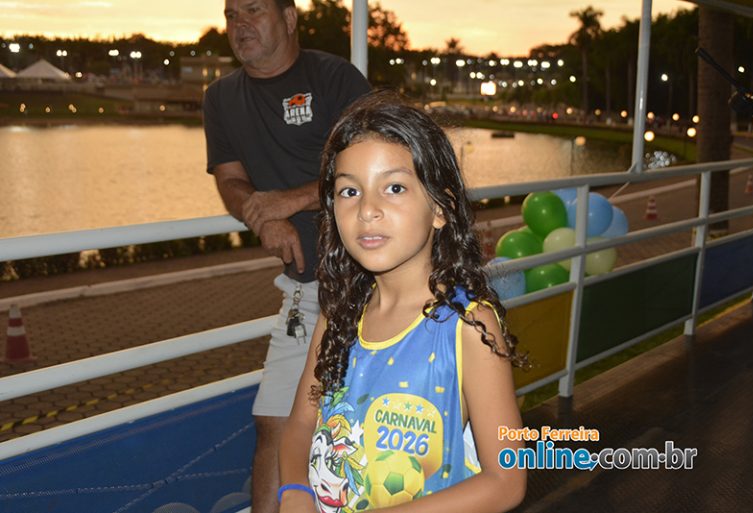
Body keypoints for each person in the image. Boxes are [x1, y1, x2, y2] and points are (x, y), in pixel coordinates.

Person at [278, 92, 528, 513]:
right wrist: (295, 492)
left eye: (394, 188)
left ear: (440, 208)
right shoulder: (339, 315)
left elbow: (506, 481)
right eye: (349, 191)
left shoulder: (468, 327)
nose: (367, 210)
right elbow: (300, 424)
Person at [202, 1, 370, 511]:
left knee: (369, 423)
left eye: (253, 10)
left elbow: (377, 166)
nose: (239, 24)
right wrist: (263, 218)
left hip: (375, 283)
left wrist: (289, 200)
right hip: (305, 290)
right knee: (274, 423)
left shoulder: (336, 79)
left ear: (290, 18)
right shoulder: (220, 97)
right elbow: (231, 180)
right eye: (231, 15)